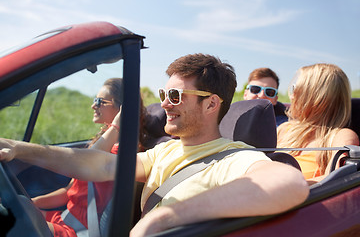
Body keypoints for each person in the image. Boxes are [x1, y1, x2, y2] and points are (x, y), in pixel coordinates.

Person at [0, 54, 309, 237]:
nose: (164, 104)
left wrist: (163, 218)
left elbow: (290, 183)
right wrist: (21, 148)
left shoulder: (232, 157)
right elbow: (101, 164)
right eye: (165, 93)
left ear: (212, 104)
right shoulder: (168, 150)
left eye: (175, 96)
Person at [31, 78, 149, 236]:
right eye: (95, 100)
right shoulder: (104, 143)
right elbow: (69, 192)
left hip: (80, 229)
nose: (93, 105)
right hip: (66, 218)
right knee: (18, 211)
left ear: (122, 109)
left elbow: (88, 161)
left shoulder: (121, 154)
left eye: (100, 101)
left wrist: (116, 125)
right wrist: (33, 202)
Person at [277, 63, 359, 181]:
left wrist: (285, 186)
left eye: (295, 88)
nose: (291, 95)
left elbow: (332, 181)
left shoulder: (340, 136)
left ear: (315, 97)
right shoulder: (284, 129)